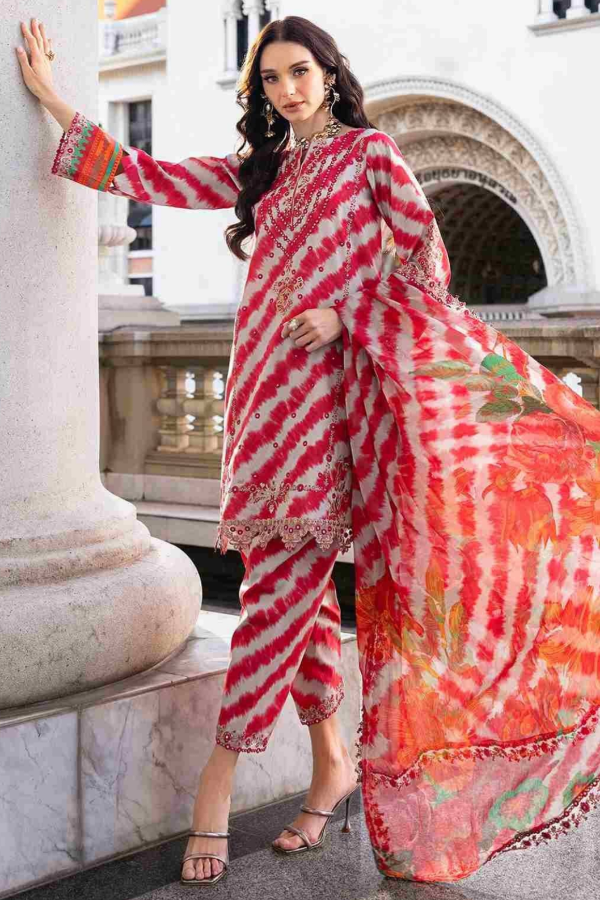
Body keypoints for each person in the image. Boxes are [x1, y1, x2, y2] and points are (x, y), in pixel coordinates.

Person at [16, 12, 600, 888]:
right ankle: (329, 761)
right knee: (291, 586)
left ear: (329, 73)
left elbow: (426, 267)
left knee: (277, 593)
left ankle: (218, 780)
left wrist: (344, 313)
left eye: (300, 71)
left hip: (325, 413)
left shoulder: (371, 157)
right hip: (258, 400)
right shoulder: (263, 170)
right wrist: (53, 100)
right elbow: (148, 174)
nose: (287, 89)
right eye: (271, 78)